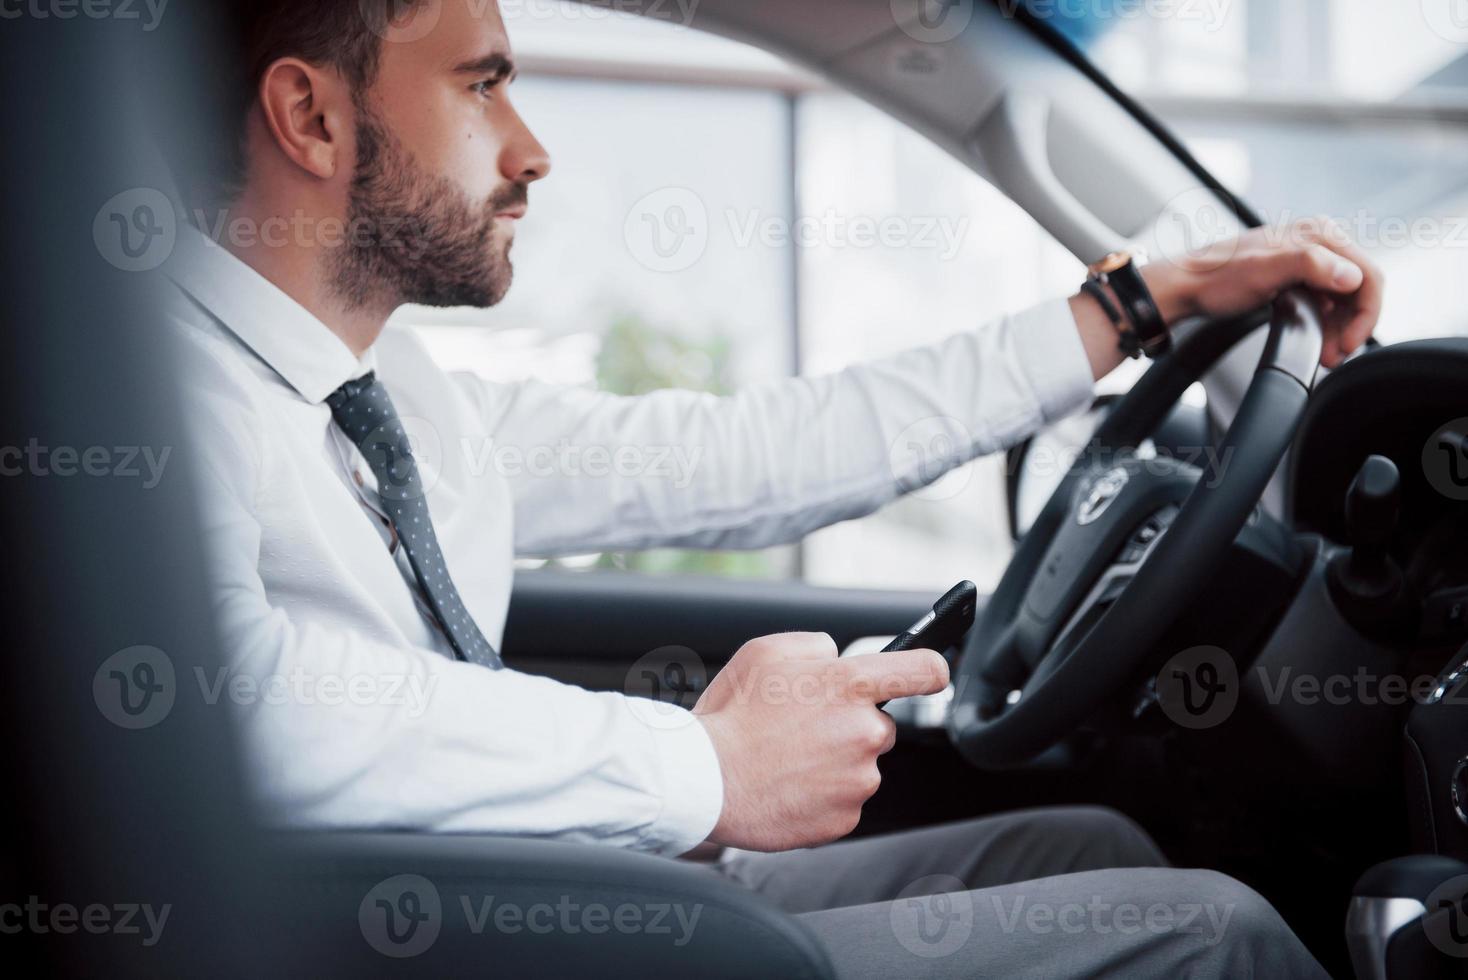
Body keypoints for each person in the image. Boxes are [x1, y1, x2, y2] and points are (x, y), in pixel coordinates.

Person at [164, 1, 1380, 975]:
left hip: (548, 883)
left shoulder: (399, 397)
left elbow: (753, 449)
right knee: (1213, 931)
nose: (531, 149)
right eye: (482, 83)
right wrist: (703, 764)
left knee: (1083, 840)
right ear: (311, 118)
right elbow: (234, 710)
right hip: (458, 932)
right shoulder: (150, 403)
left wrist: (1137, 306)